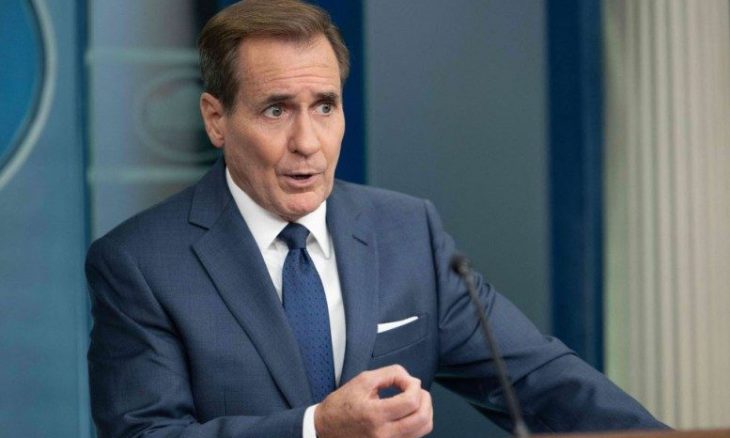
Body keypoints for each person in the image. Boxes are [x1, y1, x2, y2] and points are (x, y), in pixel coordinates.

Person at [86, 1, 666, 437]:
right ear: (216, 119)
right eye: (276, 110)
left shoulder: (407, 232)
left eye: (325, 106)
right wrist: (315, 428)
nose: (307, 142)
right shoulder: (140, 263)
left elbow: (538, 380)